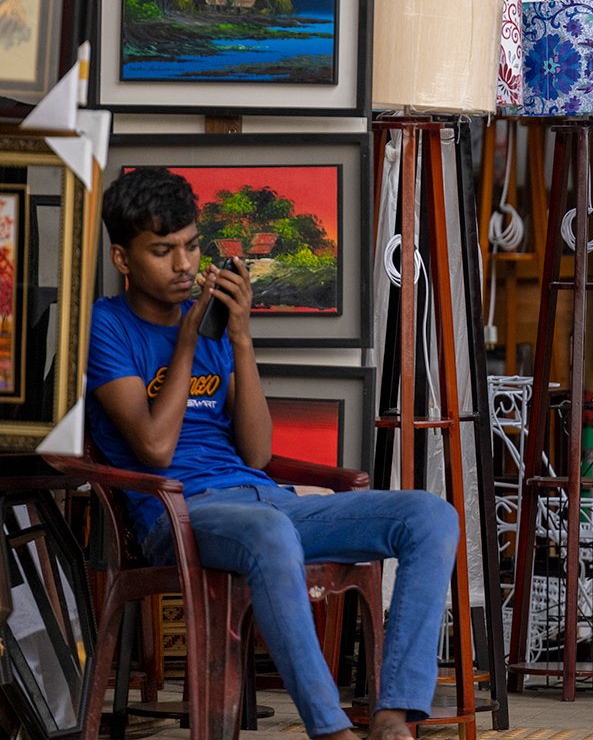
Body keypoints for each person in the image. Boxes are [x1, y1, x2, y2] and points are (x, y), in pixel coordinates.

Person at [86, 168, 460, 740]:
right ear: (123, 257)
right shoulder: (106, 328)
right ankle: (331, 729)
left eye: (190, 246)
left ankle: (393, 717)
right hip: (180, 515)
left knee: (430, 516)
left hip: (262, 502)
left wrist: (238, 337)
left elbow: (256, 452)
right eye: (163, 252)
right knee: (269, 531)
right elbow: (156, 449)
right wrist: (186, 345)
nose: (184, 265)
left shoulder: (212, 330)